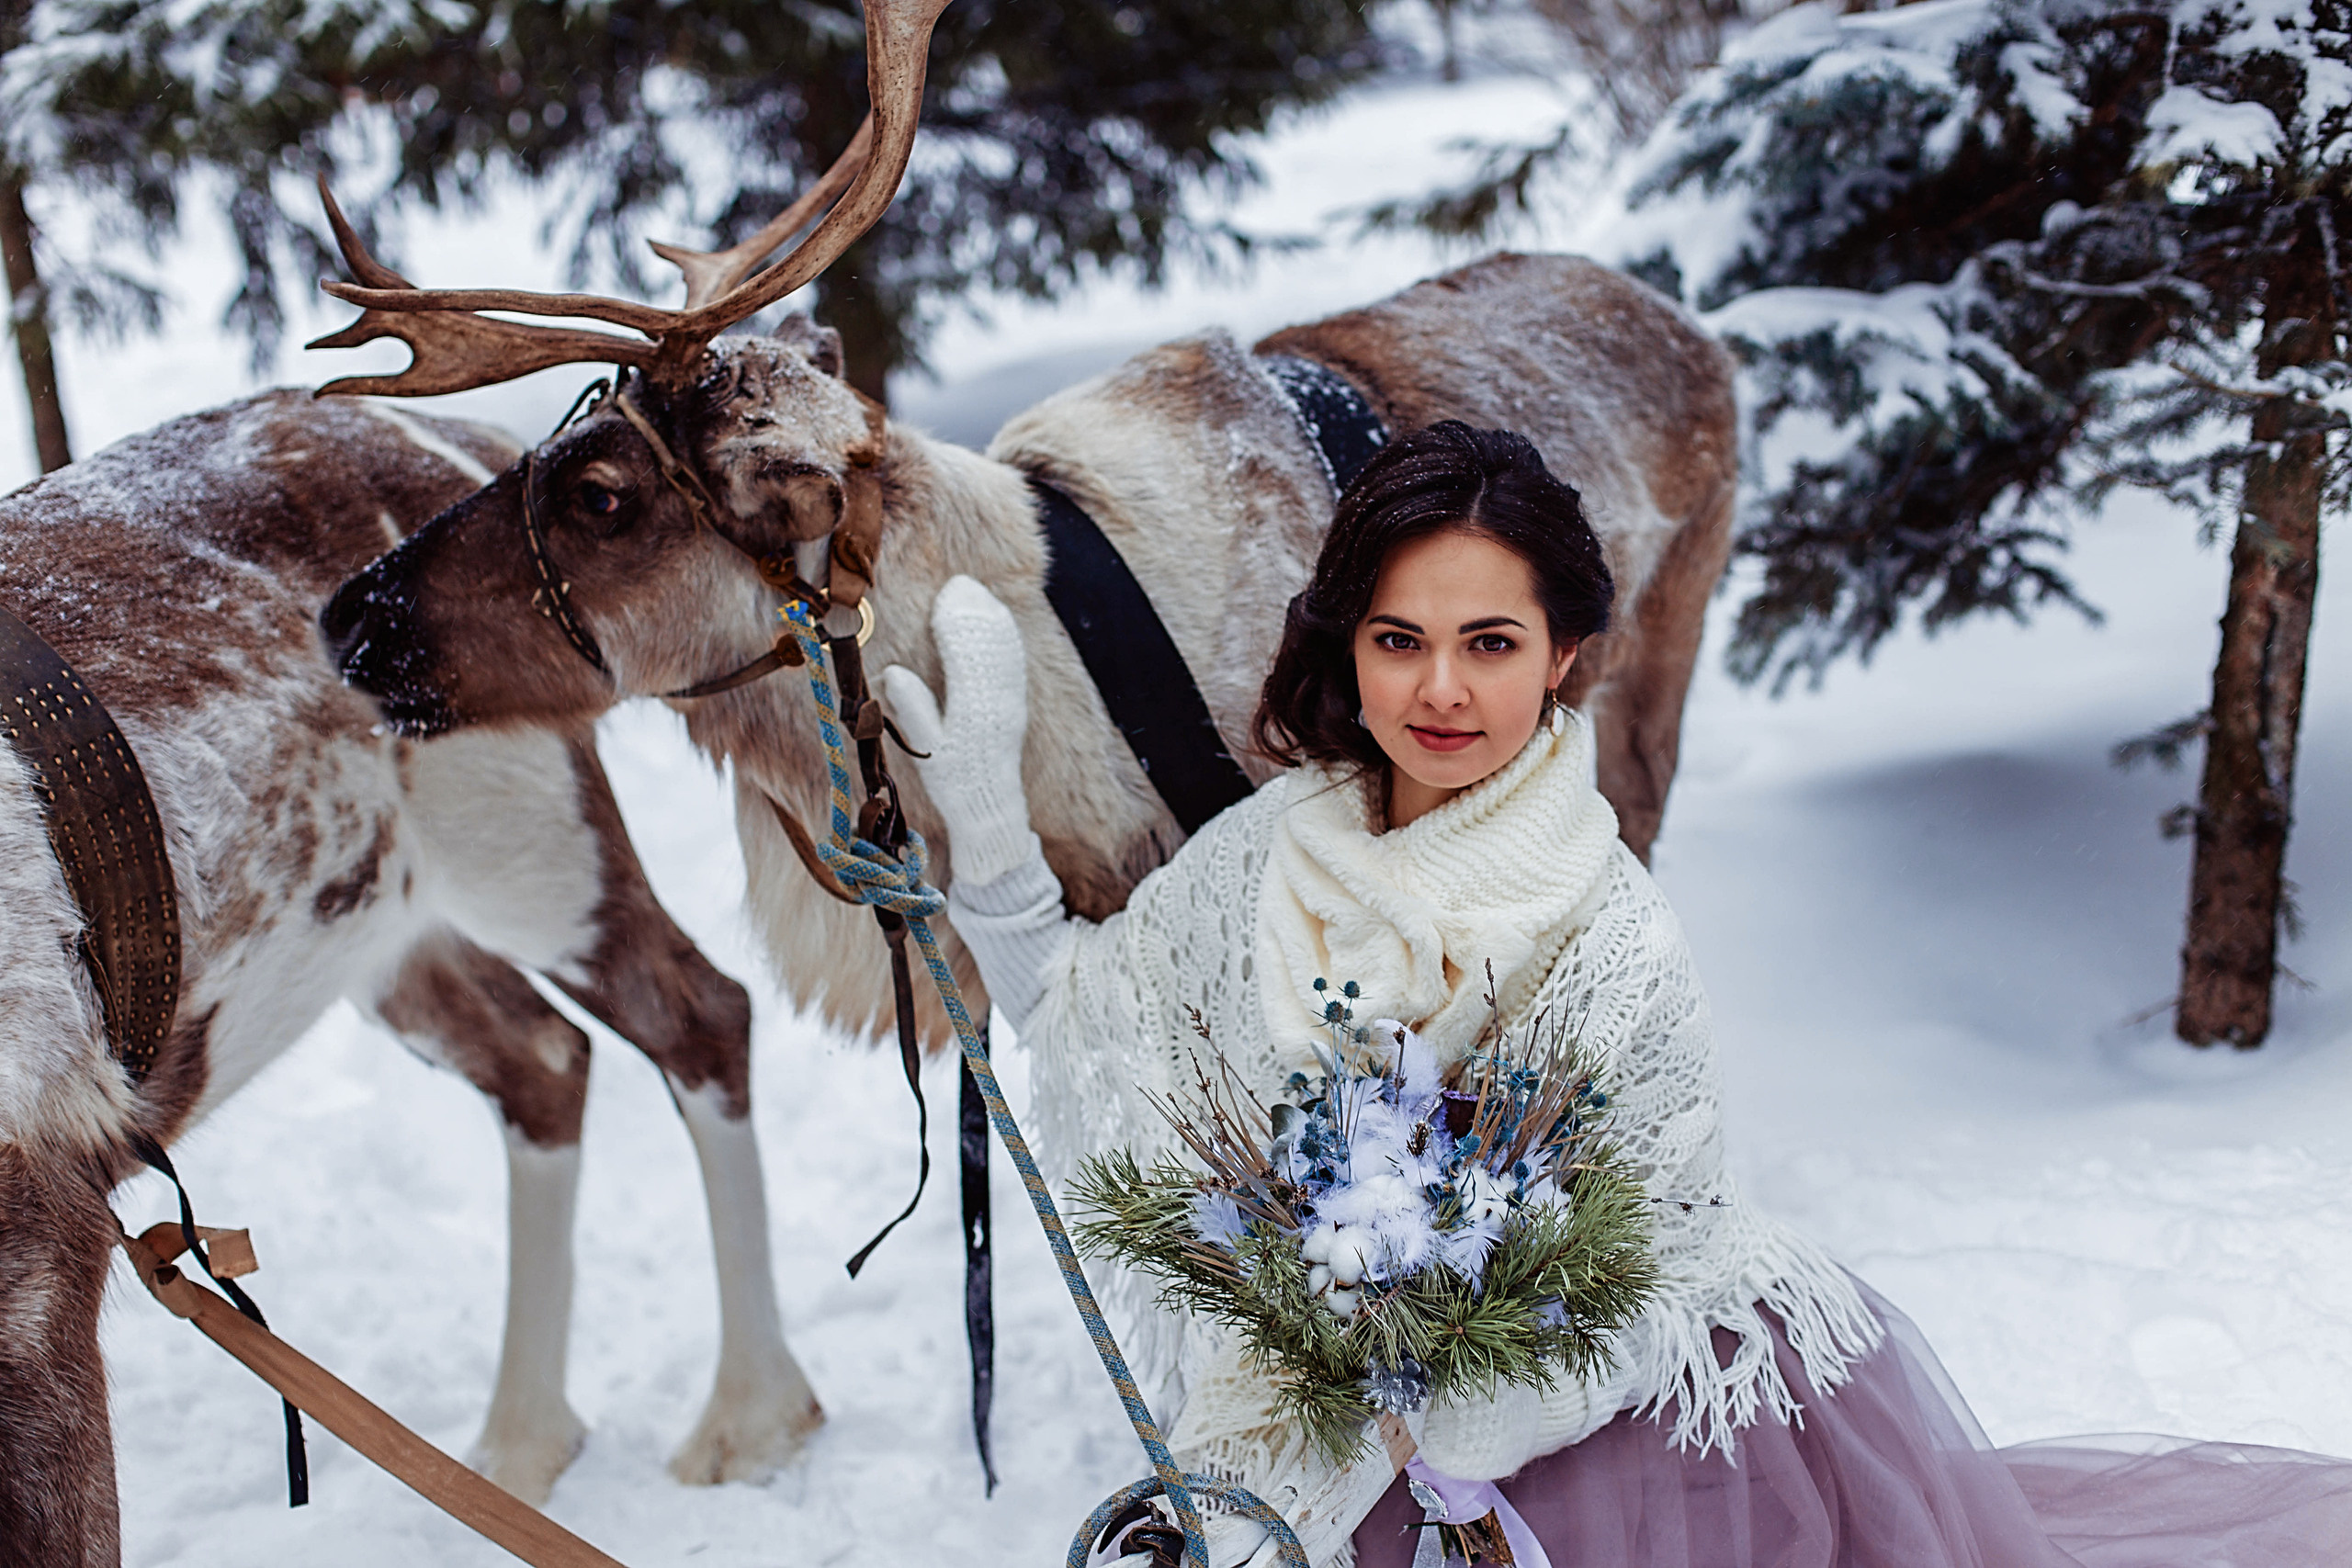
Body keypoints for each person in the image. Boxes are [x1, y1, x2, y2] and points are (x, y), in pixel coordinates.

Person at [880, 421, 2352, 1567]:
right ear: (1346, 643)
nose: (1440, 691)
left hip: (1580, 1441)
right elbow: (1089, 1024)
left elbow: (1637, 1275)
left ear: (1569, 656)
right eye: (1399, 639)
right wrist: (990, 839)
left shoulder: (1604, 930)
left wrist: (1427, 1438)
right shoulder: (1270, 849)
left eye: (1491, 643)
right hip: (1332, 1419)